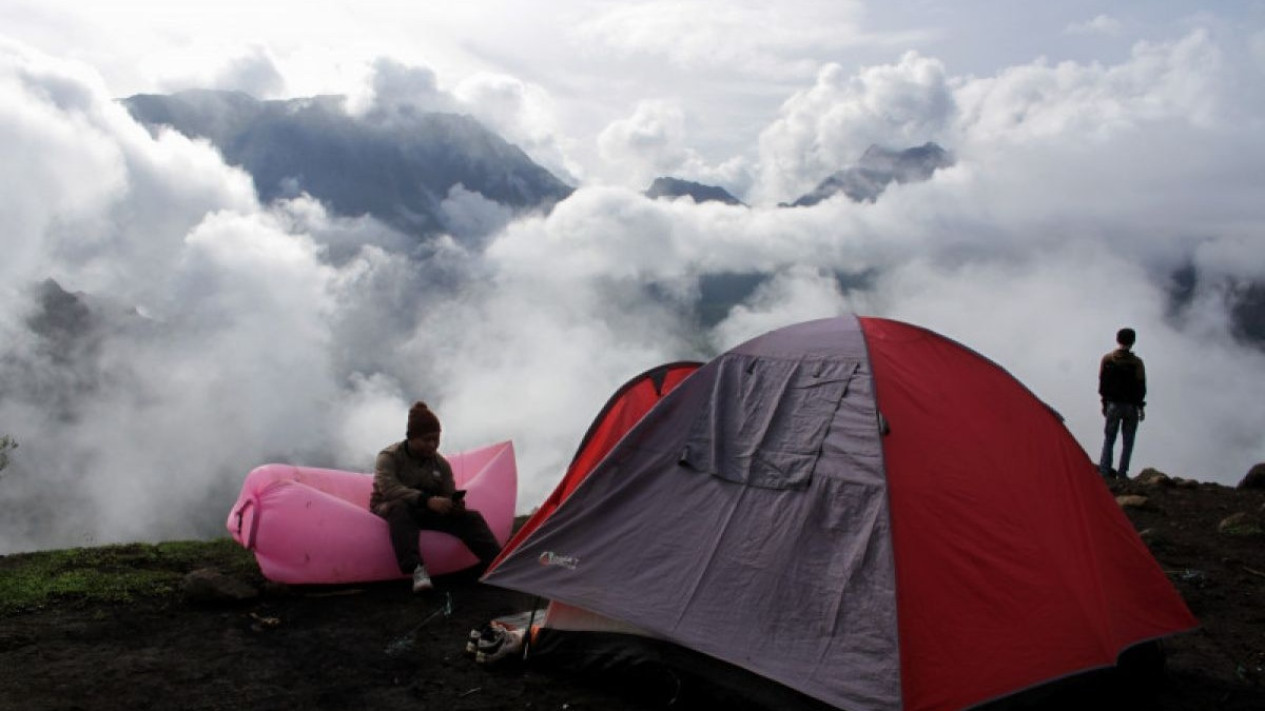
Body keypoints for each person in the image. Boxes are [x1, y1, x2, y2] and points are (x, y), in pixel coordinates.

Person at [370, 401, 502, 592]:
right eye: (426, 440)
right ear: (411, 437)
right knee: (400, 507)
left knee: (471, 517)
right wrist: (427, 501)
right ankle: (417, 570)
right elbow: (389, 489)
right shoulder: (389, 457)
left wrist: (454, 505)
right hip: (389, 507)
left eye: (436, 439)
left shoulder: (441, 464)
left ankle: (498, 565)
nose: (432, 445)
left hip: (425, 510)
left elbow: (448, 492)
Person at [1098, 328, 1147, 480]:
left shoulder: (1107, 359)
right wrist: (1140, 407)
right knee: (1128, 441)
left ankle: (1104, 471)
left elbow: (1102, 384)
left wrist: (1104, 403)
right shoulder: (1137, 363)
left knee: (1109, 438)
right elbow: (1141, 387)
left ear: (1117, 339)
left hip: (1113, 404)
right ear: (1133, 342)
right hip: (1131, 406)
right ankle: (1122, 473)